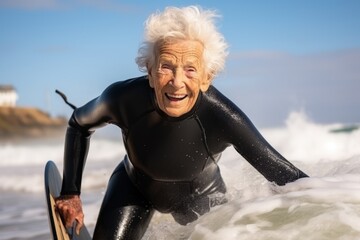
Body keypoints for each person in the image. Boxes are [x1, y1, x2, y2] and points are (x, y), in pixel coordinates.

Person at [55, 5, 308, 240]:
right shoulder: (122, 99)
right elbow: (78, 125)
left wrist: (333, 207)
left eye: (190, 69)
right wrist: (70, 193)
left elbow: (287, 177)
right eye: (166, 66)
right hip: (133, 188)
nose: (177, 82)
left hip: (200, 197)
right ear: (150, 71)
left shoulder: (222, 117)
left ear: (207, 78)